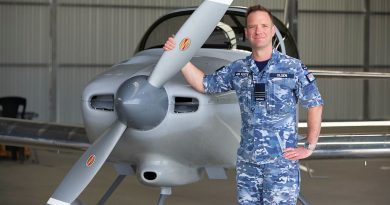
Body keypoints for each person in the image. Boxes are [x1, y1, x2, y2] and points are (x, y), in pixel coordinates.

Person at [164, 4, 323, 205]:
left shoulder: (293, 67)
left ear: (272, 31)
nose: (259, 31)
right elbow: (205, 84)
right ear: (247, 32)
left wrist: (309, 146)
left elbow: (315, 104)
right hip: (248, 164)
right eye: (253, 27)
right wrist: (179, 56)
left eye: (264, 26)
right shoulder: (238, 69)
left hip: (280, 165)